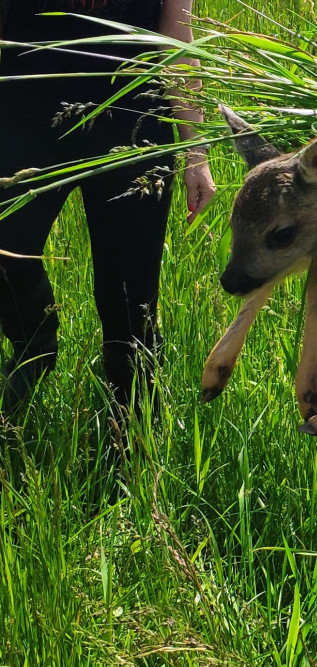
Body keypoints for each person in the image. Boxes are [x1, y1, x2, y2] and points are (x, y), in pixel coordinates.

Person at [0, 0, 215, 413]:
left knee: (130, 301)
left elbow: (176, 38)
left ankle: (130, 433)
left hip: (133, 122)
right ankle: (34, 343)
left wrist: (197, 150)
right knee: (4, 249)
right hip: (21, 111)